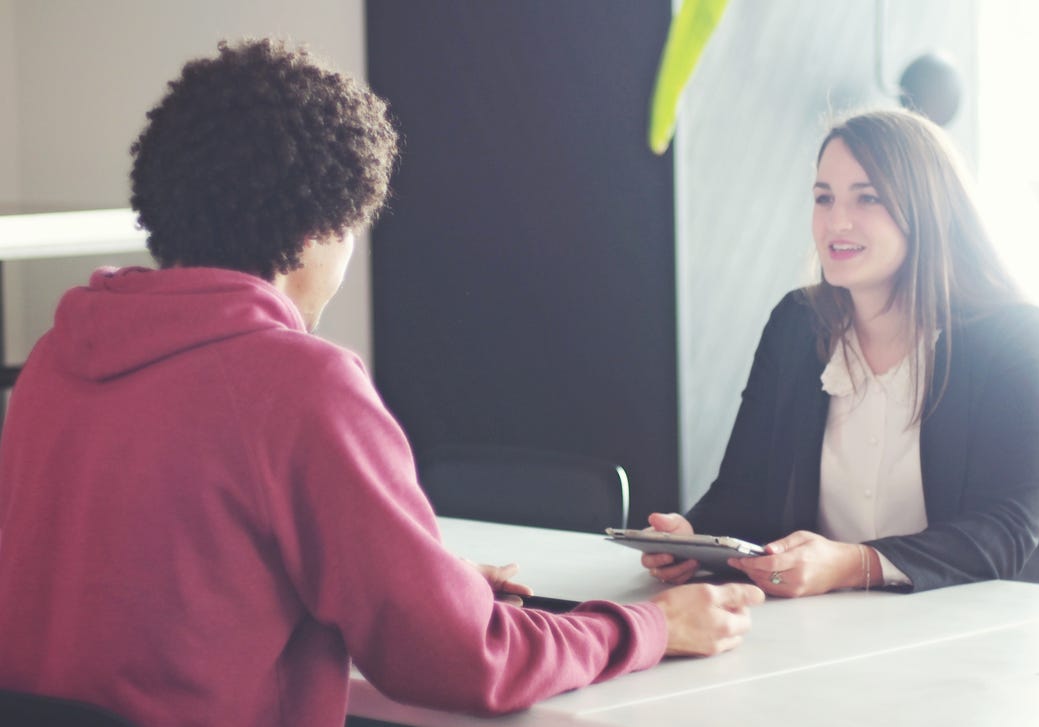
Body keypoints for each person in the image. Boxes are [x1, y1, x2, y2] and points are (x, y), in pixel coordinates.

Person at [0, 39, 763, 727]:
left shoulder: (55, 361)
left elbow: (164, 581)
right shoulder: (298, 383)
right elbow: (463, 659)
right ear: (319, 230)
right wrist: (653, 626)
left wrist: (416, 579)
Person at [641, 108, 1039, 596]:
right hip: (844, 623)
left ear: (927, 210)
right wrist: (692, 540)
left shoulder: (1013, 336)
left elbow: (1001, 534)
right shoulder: (797, 324)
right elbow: (743, 492)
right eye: (824, 198)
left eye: (868, 198)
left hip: (1006, 622)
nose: (837, 221)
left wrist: (856, 563)